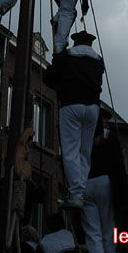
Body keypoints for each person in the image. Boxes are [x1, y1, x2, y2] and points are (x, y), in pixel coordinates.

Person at [45, 30, 104, 209]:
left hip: (71, 104)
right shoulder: (98, 60)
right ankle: (83, 191)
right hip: (92, 108)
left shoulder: (68, 55)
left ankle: (76, 193)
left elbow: (51, 77)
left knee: (70, 150)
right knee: (84, 152)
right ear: (91, 43)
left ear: (75, 42)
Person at [81, 108, 125, 253]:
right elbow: (118, 165)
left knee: (92, 230)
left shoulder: (84, 138)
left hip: (86, 183)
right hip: (104, 182)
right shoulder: (111, 139)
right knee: (108, 227)